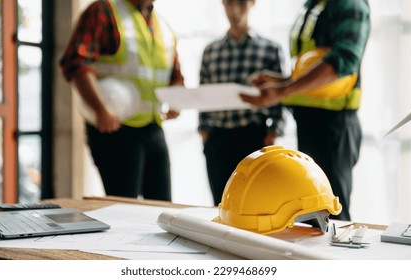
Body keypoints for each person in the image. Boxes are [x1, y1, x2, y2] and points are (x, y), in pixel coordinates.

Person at [240, 0, 370, 221]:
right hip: (309, 122)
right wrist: (283, 81)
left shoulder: (350, 4)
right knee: (313, 212)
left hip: (334, 125)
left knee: (333, 213)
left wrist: (283, 89)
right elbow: (313, 65)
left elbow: (344, 60)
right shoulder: (312, 5)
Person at [60, 0, 184, 201]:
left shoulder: (164, 28)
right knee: (124, 208)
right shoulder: (103, 11)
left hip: (153, 126)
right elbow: (77, 63)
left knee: (162, 207)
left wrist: (177, 99)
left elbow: (176, 75)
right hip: (115, 130)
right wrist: (100, 109)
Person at [199, 0, 287, 206]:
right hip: (218, 138)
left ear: (252, 3)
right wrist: (205, 134)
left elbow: (280, 98)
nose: (235, 10)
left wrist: (274, 132)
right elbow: (204, 97)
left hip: (254, 138)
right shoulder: (210, 51)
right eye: (229, 3)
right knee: (221, 204)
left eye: (241, 3)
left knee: (256, 205)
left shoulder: (271, 49)